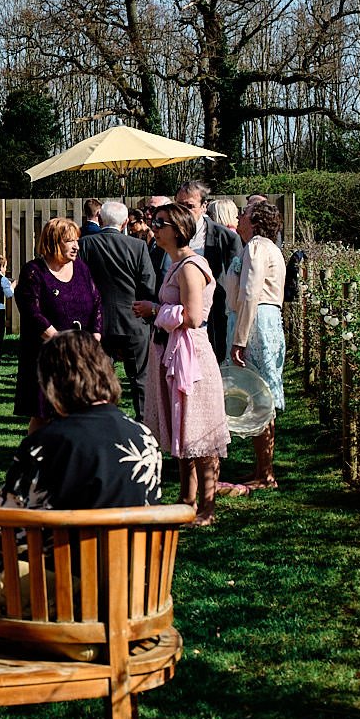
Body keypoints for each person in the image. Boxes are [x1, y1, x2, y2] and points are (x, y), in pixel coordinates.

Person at [134, 202, 229, 527]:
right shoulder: (176, 264)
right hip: (174, 353)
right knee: (183, 428)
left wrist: (154, 311)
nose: (154, 227)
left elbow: (193, 317)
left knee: (200, 431)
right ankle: (187, 501)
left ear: (177, 230)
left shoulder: (191, 267)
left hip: (192, 359)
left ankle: (207, 507)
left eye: (160, 223)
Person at [0, 331, 163, 511]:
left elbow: (7, 513)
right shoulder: (144, 437)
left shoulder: (44, 445)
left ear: (53, 383)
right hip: (132, 530)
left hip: (63, 530)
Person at [14, 218, 103, 431]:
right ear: (53, 242)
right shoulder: (34, 271)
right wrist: (61, 341)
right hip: (46, 354)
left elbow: (97, 302)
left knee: (79, 410)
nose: (76, 246)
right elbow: (32, 313)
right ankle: (35, 451)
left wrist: (95, 336)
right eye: (69, 241)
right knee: (44, 415)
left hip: (81, 352)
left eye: (77, 241)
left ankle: (70, 450)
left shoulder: (81, 268)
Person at [225, 199, 287, 492]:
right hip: (261, 319)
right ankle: (263, 468)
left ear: (256, 221)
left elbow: (250, 293)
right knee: (260, 392)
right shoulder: (260, 247)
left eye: (245, 213)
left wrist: (239, 339)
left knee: (259, 394)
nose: (240, 216)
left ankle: (266, 473)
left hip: (255, 322)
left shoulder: (257, 248)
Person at [78, 200, 157, 416]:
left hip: (97, 323)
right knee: (140, 378)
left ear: (100, 219)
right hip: (134, 319)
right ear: (124, 223)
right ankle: (144, 423)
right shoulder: (138, 246)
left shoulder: (85, 245)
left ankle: (101, 420)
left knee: (99, 378)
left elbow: (79, 284)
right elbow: (148, 284)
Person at [172, 180, 243, 362]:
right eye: (180, 206)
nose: (183, 212)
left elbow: (235, 280)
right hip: (175, 316)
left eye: (190, 206)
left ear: (204, 206)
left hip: (212, 315)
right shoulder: (166, 234)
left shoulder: (225, 238)